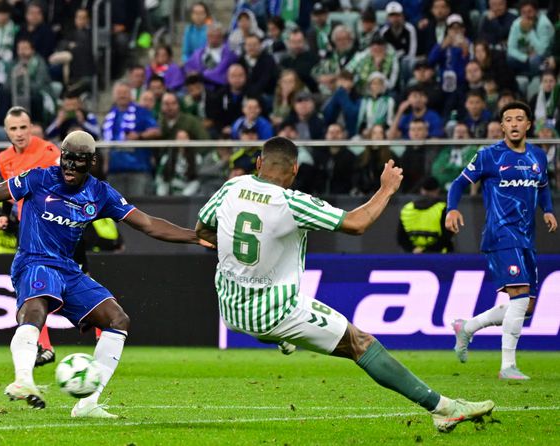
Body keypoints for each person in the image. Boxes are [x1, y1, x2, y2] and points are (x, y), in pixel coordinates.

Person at [195, 136, 495, 433]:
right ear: (295, 169)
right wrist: (386, 189)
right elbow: (357, 223)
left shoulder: (232, 187)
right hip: (273, 311)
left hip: (230, 309)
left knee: (270, 317)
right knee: (360, 343)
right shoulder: (292, 202)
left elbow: (202, 230)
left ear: (259, 162)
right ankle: (444, 409)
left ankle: (280, 337)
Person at [0, 130, 209, 417]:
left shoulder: (100, 193)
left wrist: (195, 237)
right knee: (35, 309)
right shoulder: (39, 178)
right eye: (67, 159)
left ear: (91, 162)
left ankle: (88, 403)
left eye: (78, 161)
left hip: (68, 269)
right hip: (34, 260)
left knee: (117, 319)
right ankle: (23, 380)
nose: (70, 167)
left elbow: (147, 224)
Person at [446, 101, 557, 380]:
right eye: (508, 119)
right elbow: (458, 183)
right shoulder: (489, 156)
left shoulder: (538, 156)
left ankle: (467, 327)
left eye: (519, 119)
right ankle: (507, 366)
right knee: (519, 296)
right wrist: (452, 208)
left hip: (527, 237)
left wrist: (548, 210)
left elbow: (543, 187)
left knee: (526, 306)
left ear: (528, 124)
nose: (514, 124)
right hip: (501, 234)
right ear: (502, 126)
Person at [0, 106, 61, 366]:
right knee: (31, 289)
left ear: (31, 127)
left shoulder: (49, 152)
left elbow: (67, 186)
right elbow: (9, 192)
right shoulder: (4, 158)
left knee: (75, 285)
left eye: (23, 127)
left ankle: (105, 335)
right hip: (29, 232)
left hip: (58, 230)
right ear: (6, 131)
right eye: (13, 129)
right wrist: (4, 214)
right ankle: (44, 346)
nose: (19, 133)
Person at [398, 177, 454, 254]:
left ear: (421, 190)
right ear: (437, 190)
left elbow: (401, 238)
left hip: (414, 256)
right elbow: (447, 236)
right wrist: (426, 251)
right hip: (440, 256)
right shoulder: (443, 208)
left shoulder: (407, 209)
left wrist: (414, 249)